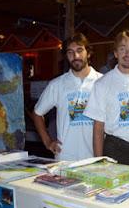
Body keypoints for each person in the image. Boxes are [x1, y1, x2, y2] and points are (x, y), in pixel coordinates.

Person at [84, 30, 129, 172]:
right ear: (116, 53)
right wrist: (99, 162)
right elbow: (98, 128)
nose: (128, 54)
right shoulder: (102, 83)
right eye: (123, 49)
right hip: (116, 149)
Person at [33, 32, 103, 161]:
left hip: (96, 159)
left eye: (79, 50)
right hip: (65, 159)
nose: (75, 56)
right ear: (66, 56)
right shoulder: (57, 84)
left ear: (88, 53)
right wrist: (48, 142)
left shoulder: (102, 82)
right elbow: (37, 114)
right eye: (70, 52)